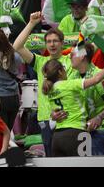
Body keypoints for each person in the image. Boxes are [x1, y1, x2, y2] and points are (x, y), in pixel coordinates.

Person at [13, 12, 75, 157]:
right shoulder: (41, 62)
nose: (52, 44)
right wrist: (32, 23)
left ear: (62, 43)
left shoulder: (71, 61)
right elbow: (17, 46)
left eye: (55, 41)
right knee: (50, 160)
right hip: (46, 119)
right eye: (49, 41)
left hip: (68, 118)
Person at [42, 59, 104, 157]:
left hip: (57, 137)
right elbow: (96, 79)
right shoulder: (70, 84)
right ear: (60, 72)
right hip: (76, 134)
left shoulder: (50, 89)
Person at [70, 43, 104, 155]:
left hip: (101, 129)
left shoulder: (99, 75)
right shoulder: (73, 77)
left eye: (72, 54)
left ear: (82, 56)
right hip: (83, 129)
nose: (69, 56)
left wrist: (98, 118)